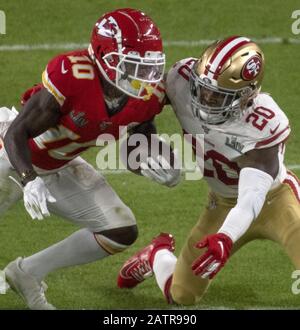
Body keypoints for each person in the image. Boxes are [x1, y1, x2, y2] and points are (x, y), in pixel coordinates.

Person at [0, 8, 180, 310]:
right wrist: (29, 181)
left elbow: (137, 136)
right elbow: (16, 134)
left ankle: (26, 274)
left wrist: (152, 161)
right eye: (133, 67)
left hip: (59, 162)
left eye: (148, 68)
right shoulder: (73, 74)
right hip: (11, 153)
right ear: (103, 56)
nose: (143, 79)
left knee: (119, 230)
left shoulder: (145, 97)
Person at [117, 36, 300, 306]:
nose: (205, 98)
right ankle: (157, 255)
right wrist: (145, 148)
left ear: (247, 94)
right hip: (222, 203)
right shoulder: (181, 79)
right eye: (203, 88)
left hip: (276, 202)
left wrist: (226, 236)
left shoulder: (264, 123)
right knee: (181, 295)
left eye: (218, 95)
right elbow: (137, 110)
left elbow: (251, 197)